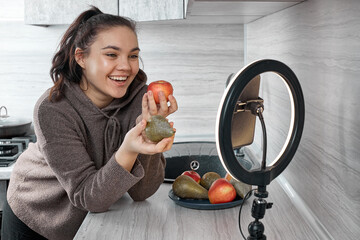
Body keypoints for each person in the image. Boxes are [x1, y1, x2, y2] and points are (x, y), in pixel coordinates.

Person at [1, 6, 178, 240]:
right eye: (112, 55)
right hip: (37, 216)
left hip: (91, 220)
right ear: (81, 58)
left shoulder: (141, 99)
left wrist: (151, 131)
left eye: (133, 55)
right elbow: (88, 197)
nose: (126, 66)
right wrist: (128, 149)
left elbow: (142, 192)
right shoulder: (53, 109)